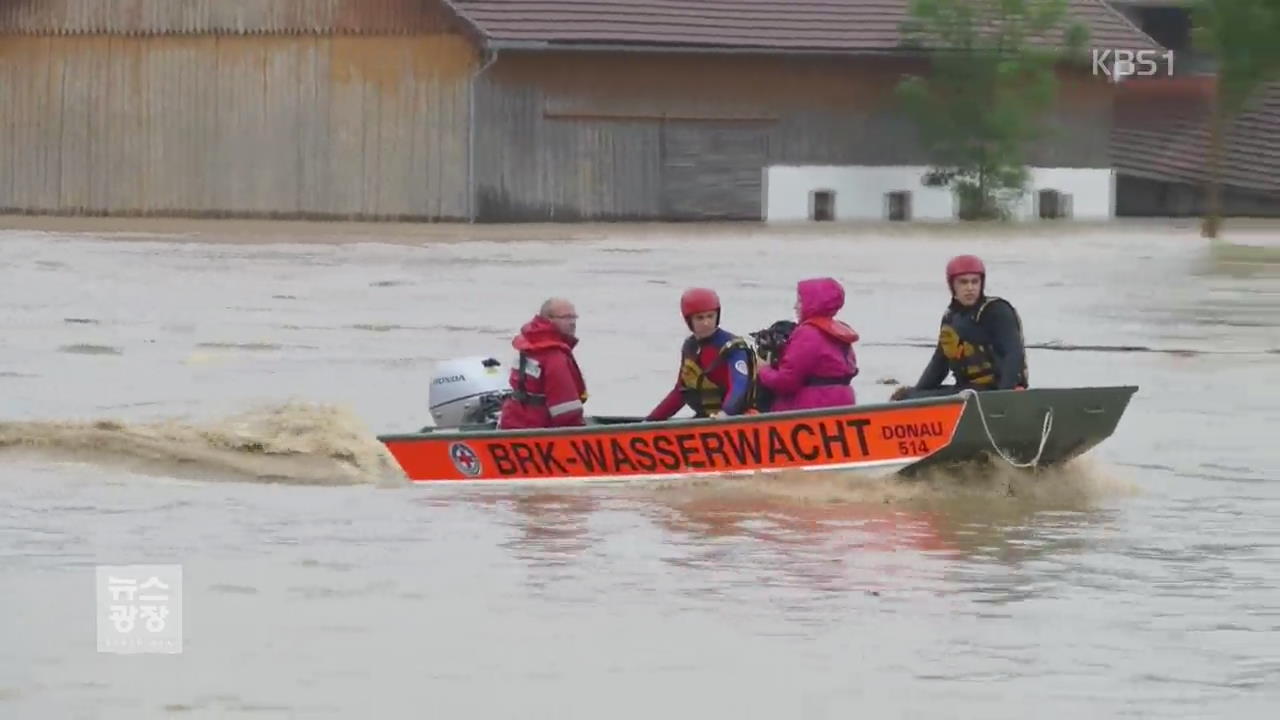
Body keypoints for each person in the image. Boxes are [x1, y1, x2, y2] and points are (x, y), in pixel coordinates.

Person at [891, 254, 1028, 401]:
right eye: (963, 282)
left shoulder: (997, 311)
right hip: (967, 391)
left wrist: (1001, 397)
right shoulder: (950, 318)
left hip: (996, 389)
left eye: (975, 282)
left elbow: (1013, 355)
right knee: (905, 396)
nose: (970, 288)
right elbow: (939, 365)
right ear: (952, 285)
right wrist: (915, 396)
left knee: (912, 397)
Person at [647, 288, 758, 420]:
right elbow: (681, 392)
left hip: (736, 417)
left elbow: (739, 384)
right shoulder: (690, 347)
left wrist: (726, 413)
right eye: (700, 318)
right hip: (707, 417)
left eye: (710, 316)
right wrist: (650, 421)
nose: (706, 323)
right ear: (689, 321)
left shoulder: (733, 347)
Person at [757, 277, 859, 412]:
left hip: (812, 407)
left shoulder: (807, 333)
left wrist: (763, 370)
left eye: (800, 301)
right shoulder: (841, 332)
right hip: (845, 404)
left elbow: (786, 381)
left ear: (813, 303)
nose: (795, 306)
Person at [497, 297, 589, 429]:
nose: (572, 323)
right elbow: (566, 411)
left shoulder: (529, 343)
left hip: (513, 421)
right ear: (548, 319)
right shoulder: (554, 356)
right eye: (566, 318)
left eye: (574, 317)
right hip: (538, 428)